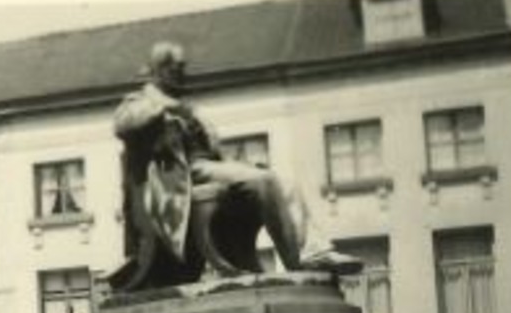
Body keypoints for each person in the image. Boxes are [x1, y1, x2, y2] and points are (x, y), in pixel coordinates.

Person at [109, 41, 358, 291]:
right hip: (180, 174)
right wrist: (158, 106)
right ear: (160, 69)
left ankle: (314, 253)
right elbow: (122, 124)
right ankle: (299, 261)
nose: (183, 74)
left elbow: (214, 152)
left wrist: (244, 167)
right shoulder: (142, 100)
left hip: (207, 166)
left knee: (285, 182)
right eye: (177, 68)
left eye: (183, 68)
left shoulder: (189, 108)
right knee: (266, 180)